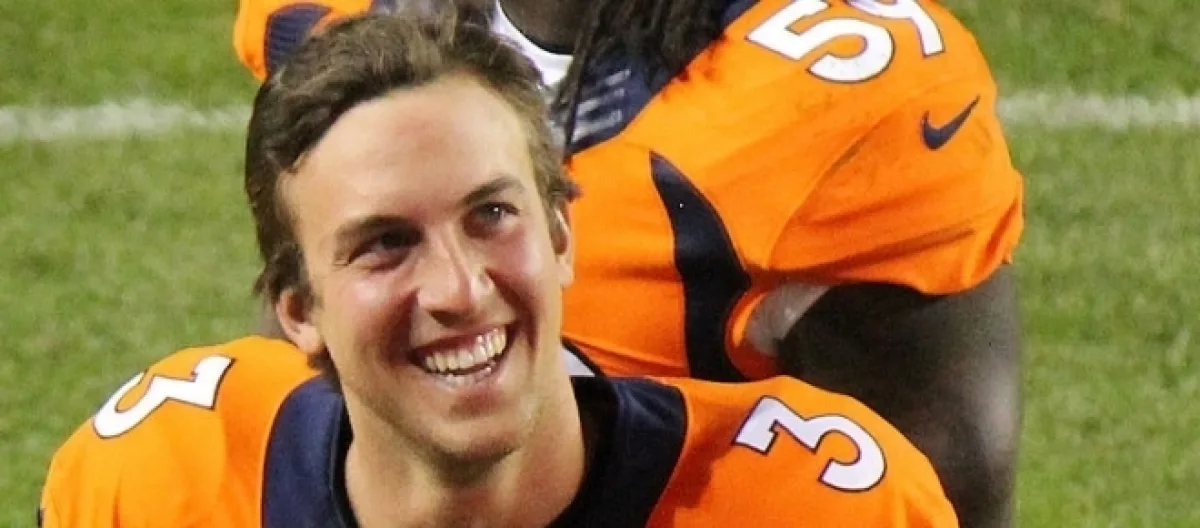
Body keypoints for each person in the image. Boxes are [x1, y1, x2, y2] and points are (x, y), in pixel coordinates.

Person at [40, 10, 958, 527]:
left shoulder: (810, 500)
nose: (460, 289)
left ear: (561, 236)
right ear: (299, 311)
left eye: (492, 216)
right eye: (385, 243)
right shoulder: (161, 481)